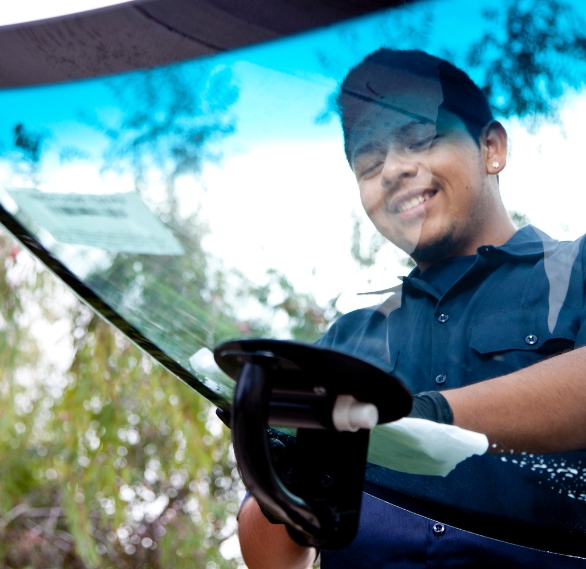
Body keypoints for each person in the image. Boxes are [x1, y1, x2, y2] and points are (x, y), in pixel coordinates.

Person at [237, 49, 586, 568]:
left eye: (419, 139)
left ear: (491, 147)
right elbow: (272, 561)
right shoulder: (345, 342)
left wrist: (425, 420)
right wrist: (280, 466)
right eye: (369, 162)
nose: (394, 170)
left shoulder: (576, 270)